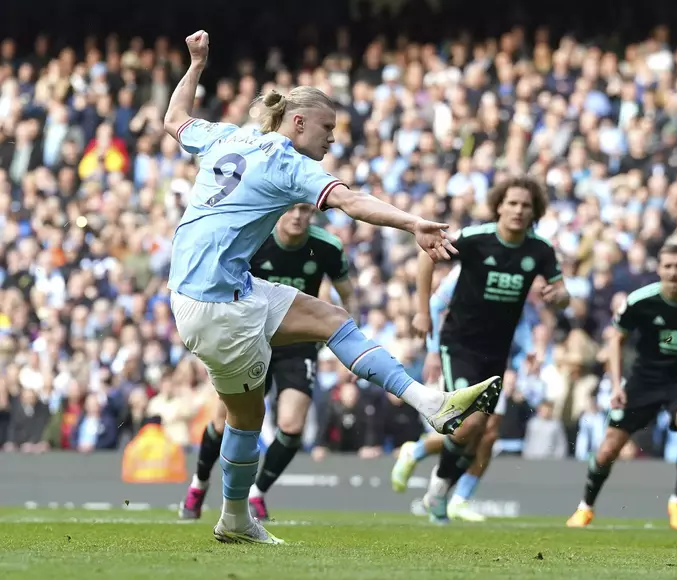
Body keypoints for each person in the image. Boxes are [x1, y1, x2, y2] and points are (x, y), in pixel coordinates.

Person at [165, 30, 502, 545]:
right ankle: (234, 518)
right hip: (217, 307)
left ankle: (430, 403)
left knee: (331, 320)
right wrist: (413, 223)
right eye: (328, 127)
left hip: (215, 290)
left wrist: (196, 64)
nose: (333, 139)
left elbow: (173, 119)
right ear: (297, 122)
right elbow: (351, 201)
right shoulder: (286, 161)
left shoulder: (228, 137)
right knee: (247, 418)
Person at [179, 202, 356, 522]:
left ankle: (257, 493)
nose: (298, 216)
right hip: (251, 340)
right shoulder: (255, 241)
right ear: (279, 211)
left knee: (292, 426)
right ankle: (199, 483)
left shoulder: (326, 247)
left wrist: (349, 349)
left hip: (298, 344)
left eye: (306, 210)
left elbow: (349, 296)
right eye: (292, 209)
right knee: (223, 422)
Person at [409, 176, 570, 524]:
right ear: (499, 205)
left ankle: (437, 493)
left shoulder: (540, 250)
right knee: (470, 424)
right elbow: (427, 257)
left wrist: (559, 297)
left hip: (499, 352)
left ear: (534, 212)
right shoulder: (475, 239)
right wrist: (422, 311)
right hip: (459, 343)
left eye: (526, 205)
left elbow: (563, 293)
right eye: (512, 203)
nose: (518, 210)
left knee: (479, 432)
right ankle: (436, 489)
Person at [566, 237, 677, 530]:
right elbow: (616, 338)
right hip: (643, 380)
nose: (674, 272)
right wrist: (617, 385)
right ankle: (585, 507)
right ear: (660, 270)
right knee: (608, 450)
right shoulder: (641, 301)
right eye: (668, 266)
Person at [390, 263, 545, 523]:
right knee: (467, 426)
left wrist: (526, 353)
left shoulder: (519, 276)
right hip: (461, 354)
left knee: (488, 434)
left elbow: (517, 322)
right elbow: (436, 305)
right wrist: (432, 350)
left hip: (495, 361)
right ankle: (417, 453)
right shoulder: (472, 265)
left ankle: (459, 500)